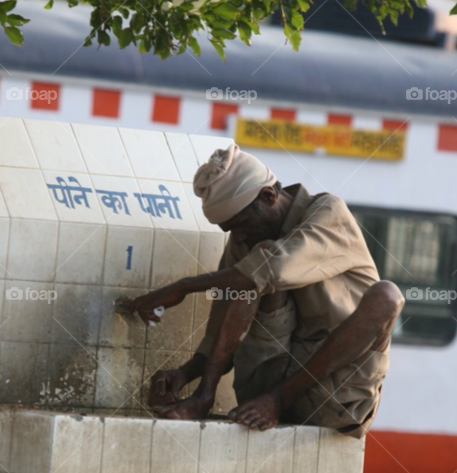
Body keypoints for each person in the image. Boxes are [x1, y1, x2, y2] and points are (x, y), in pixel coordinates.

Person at [127, 144, 403, 436]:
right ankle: (204, 399)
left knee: (386, 296)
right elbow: (221, 325)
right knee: (252, 269)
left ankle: (280, 397)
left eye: (242, 225)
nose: (239, 236)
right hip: (262, 390)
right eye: (231, 230)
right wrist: (186, 374)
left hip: (335, 398)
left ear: (269, 196)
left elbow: (277, 268)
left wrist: (183, 287)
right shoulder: (247, 241)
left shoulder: (328, 211)